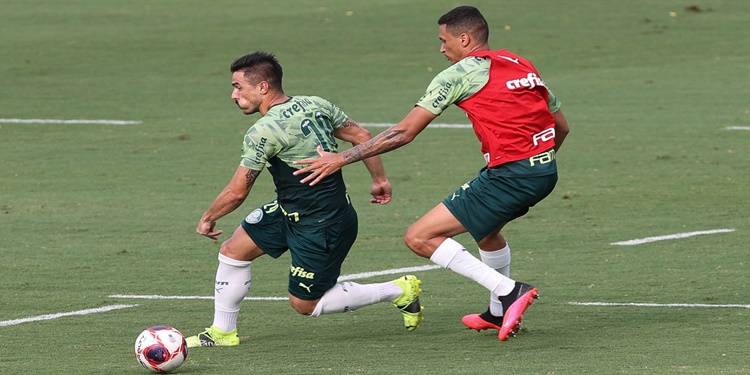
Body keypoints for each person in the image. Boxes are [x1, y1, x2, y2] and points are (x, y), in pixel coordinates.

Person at [294, 6, 570, 341]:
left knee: (420, 237)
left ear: (464, 39)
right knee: (487, 232)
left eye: (444, 40)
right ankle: (498, 312)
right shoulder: (518, 62)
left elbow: (403, 132)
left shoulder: (458, 74)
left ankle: (510, 291)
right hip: (543, 170)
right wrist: (536, 161)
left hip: (512, 175)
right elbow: (560, 126)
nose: (441, 49)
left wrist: (343, 158)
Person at [186, 51, 424, 348]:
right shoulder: (315, 104)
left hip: (321, 225)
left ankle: (397, 290)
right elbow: (362, 135)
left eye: (238, 87)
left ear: (262, 87)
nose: (233, 94)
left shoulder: (262, 131)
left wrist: (208, 217)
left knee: (304, 304)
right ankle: (222, 332)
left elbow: (237, 191)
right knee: (234, 250)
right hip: (289, 210)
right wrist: (379, 180)